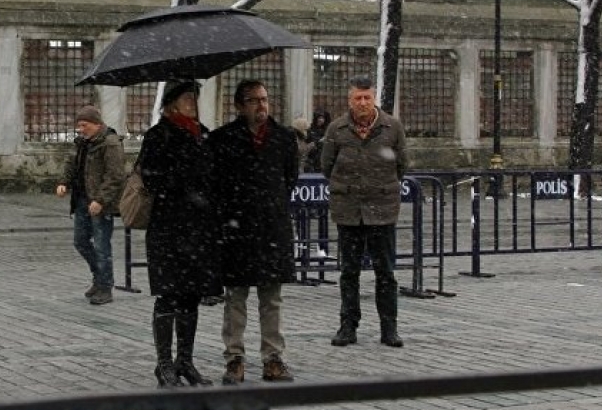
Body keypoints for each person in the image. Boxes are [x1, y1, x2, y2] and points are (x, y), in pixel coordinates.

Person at [208, 79, 298, 384]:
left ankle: (273, 358)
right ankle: (234, 358)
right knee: (235, 298)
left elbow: (290, 179)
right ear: (239, 106)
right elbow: (215, 184)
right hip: (236, 231)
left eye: (264, 99)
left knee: (271, 298)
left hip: (272, 228)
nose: (261, 105)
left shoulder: (284, 138)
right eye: (253, 100)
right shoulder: (222, 140)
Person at [137, 80, 221, 388]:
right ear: (171, 103)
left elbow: (215, 176)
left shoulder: (204, 134)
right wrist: (183, 180)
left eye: (194, 97)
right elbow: (150, 178)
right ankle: (164, 364)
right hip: (168, 228)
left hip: (199, 229)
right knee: (168, 295)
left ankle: (185, 361)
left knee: (191, 296)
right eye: (187, 97)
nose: (193, 102)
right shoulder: (158, 136)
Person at [320, 76, 408, 348]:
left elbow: (402, 165)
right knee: (349, 271)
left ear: (374, 99)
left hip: (382, 210)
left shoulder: (391, 127)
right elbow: (327, 165)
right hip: (349, 211)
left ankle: (389, 327)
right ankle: (348, 325)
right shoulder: (337, 129)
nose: (362, 102)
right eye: (357, 98)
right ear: (349, 100)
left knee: (386, 272)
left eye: (366, 97)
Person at [56, 105, 126, 306]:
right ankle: (99, 277)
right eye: (78, 125)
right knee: (81, 242)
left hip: (99, 203)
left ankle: (105, 287)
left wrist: (101, 200)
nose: (80, 129)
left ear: (97, 124)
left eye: (84, 125)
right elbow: (72, 165)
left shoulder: (110, 143)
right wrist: (63, 182)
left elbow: (116, 176)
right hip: (81, 200)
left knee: (102, 246)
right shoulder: (82, 143)